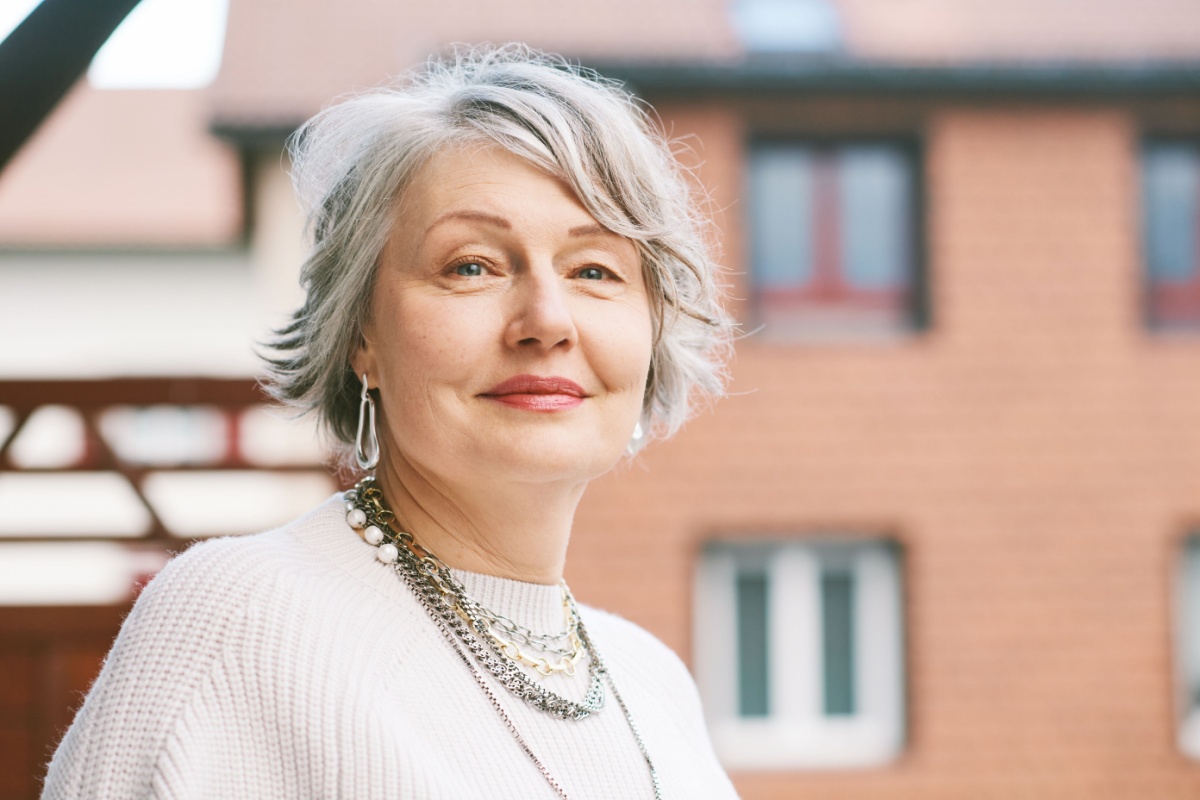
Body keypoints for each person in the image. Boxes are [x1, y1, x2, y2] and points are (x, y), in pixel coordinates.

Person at [42, 44, 737, 799]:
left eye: (594, 270)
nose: (546, 320)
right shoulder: (238, 620)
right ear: (362, 336)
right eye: (471, 265)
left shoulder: (652, 681)